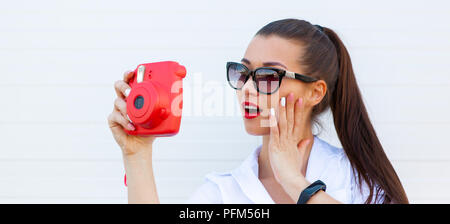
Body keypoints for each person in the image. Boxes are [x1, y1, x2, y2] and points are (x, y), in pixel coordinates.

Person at [107, 18, 409, 204]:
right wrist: (137, 156)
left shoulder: (357, 180)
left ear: (315, 92)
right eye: (243, 73)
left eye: (267, 77)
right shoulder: (223, 192)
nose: (247, 89)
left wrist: (294, 181)